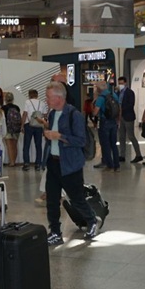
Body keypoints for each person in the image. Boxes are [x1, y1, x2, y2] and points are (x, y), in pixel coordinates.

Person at [42, 81, 101, 246]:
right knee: (52, 200)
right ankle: (55, 232)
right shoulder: (52, 114)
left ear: (59, 97)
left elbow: (81, 141)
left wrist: (59, 136)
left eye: (48, 97)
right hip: (53, 163)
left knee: (76, 199)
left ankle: (92, 220)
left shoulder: (74, 115)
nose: (47, 100)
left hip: (70, 165)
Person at [92, 80, 120, 172]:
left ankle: (110, 165)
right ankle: (117, 165)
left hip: (104, 122)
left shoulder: (101, 97)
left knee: (105, 144)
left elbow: (95, 112)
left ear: (99, 89)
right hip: (114, 122)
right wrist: (118, 120)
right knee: (113, 144)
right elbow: (119, 107)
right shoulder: (113, 95)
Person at [116, 76, 143, 163]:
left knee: (131, 136)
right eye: (119, 83)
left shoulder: (130, 92)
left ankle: (138, 154)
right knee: (121, 137)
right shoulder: (119, 93)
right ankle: (122, 155)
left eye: (122, 83)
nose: (120, 85)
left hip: (128, 117)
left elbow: (131, 104)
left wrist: (122, 109)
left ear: (125, 83)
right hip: (121, 117)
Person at [21, 89, 46, 171]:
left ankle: (26, 164)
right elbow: (45, 116)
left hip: (29, 125)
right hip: (39, 125)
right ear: (37, 95)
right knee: (38, 146)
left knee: (26, 145)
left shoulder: (27, 102)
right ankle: (38, 164)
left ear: (29, 95)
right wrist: (45, 127)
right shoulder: (42, 103)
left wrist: (22, 125)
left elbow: (25, 114)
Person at [2, 92, 22, 167]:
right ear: (13, 99)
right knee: (15, 145)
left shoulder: (3, 108)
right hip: (16, 129)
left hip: (8, 129)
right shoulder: (17, 107)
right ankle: (14, 161)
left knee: (10, 146)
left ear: (5, 99)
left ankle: (12, 162)